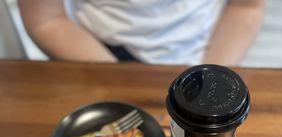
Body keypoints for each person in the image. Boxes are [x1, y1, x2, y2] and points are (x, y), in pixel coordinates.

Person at [18, 0, 267, 66]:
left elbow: (246, 7)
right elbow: (45, 19)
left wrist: (212, 73)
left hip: (208, 51)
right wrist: (117, 77)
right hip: (93, 52)